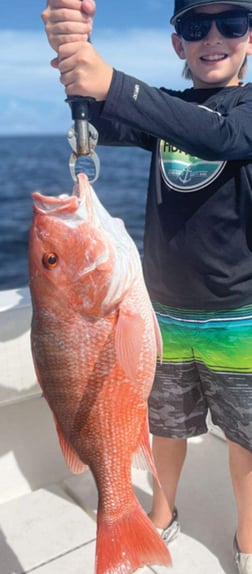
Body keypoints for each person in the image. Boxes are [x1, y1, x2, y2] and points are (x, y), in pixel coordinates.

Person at [41, 1, 252, 572]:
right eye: (193, 26)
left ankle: (249, 538)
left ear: (251, 38)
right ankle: (158, 514)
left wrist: (114, 82)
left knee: (245, 440)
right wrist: (72, 52)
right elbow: (100, 117)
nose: (213, 36)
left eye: (231, 24)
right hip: (160, 317)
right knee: (165, 426)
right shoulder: (167, 112)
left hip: (238, 317)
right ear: (177, 43)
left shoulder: (245, 111)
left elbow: (225, 136)